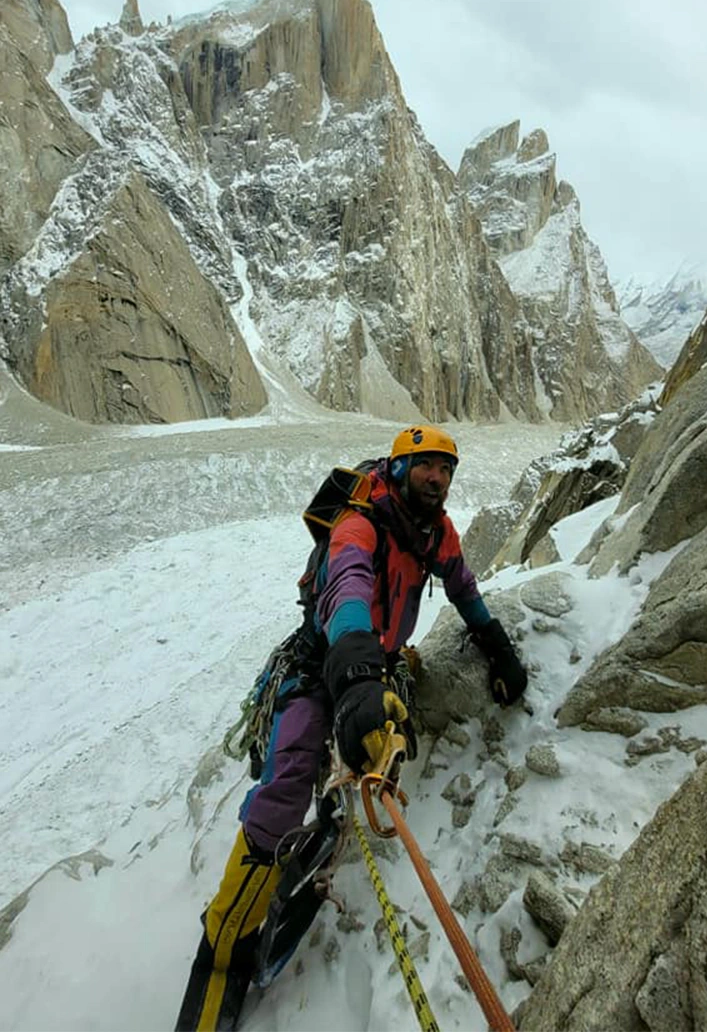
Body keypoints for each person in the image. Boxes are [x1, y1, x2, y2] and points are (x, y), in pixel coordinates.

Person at [175, 424, 528, 1031]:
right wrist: (360, 673)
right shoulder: (360, 521)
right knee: (285, 785)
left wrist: (496, 645)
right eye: (425, 466)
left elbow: (461, 586)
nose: (438, 479)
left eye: (446, 470)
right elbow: (347, 588)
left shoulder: (435, 531)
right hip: (325, 663)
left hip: (373, 663)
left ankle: (328, 824)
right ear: (398, 467)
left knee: (367, 748)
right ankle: (224, 947)